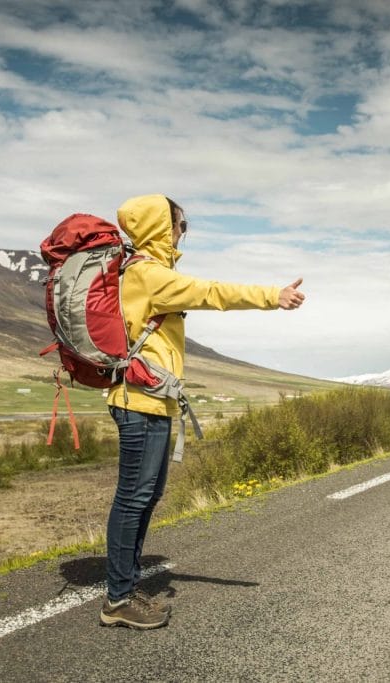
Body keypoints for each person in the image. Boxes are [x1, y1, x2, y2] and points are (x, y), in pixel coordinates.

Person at [98, 194, 305, 630]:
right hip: (139, 404)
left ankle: (126, 585)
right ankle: (118, 599)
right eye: (180, 224)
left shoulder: (146, 273)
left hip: (151, 401)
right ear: (160, 227)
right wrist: (273, 295)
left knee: (145, 496)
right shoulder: (148, 275)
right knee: (134, 498)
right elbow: (211, 293)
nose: (182, 232)